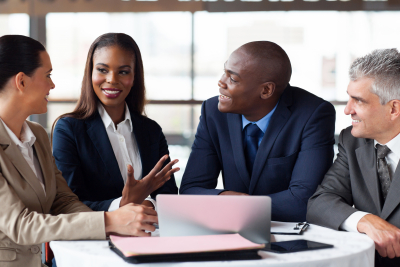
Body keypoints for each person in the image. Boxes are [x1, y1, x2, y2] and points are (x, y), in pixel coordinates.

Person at [0, 35, 178, 267]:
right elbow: (21, 226)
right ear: (21, 82)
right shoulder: (67, 128)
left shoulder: (38, 135)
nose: (53, 85)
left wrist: (114, 222)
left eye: (123, 71)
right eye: (48, 76)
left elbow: (64, 200)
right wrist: (109, 220)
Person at [179, 41, 336, 222]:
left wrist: (241, 204)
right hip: (230, 229)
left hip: (289, 234)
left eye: (233, 78)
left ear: (266, 90)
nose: (221, 82)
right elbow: (191, 190)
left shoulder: (312, 114)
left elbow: (304, 200)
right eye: (225, 72)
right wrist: (225, 199)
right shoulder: (212, 112)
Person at [52, 33, 179, 213]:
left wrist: (147, 205)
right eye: (103, 70)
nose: (112, 79)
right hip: (96, 239)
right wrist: (122, 205)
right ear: (90, 72)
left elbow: (169, 195)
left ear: (134, 77)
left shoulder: (151, 130)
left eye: (123, 72)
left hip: (151, 235)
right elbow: (69, 204)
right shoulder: (69, 129)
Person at [307, 48, 400, 267]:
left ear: (394, 108)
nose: (348, 110)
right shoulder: (352, 140)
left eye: (358, 101)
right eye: (348, 98)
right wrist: (364, 220)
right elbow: (320, 202)